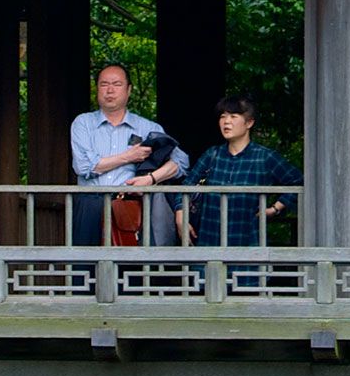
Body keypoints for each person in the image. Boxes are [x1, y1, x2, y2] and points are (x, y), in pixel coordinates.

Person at [68, 63, 186, 247]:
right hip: (90, 202)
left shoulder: (147, 128)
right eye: (104, 84)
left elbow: (181, 161)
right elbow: (83, 166)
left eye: (116, 84)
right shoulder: (83, 123)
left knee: (128, 269)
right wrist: (129, 156)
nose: (109, 90)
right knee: (84, 268)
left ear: (129, 89)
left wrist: (151, 179)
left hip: (129, 204)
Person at [184, 95, 300, 248]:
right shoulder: (212, 155)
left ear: (249, 122)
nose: (226, 121)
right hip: (209, 240)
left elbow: (297, 181)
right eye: (223, 116)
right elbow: (186, 186)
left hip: (247, 243)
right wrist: (181, 217)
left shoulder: (264, 157)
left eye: (233, 116)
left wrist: (274, 209)